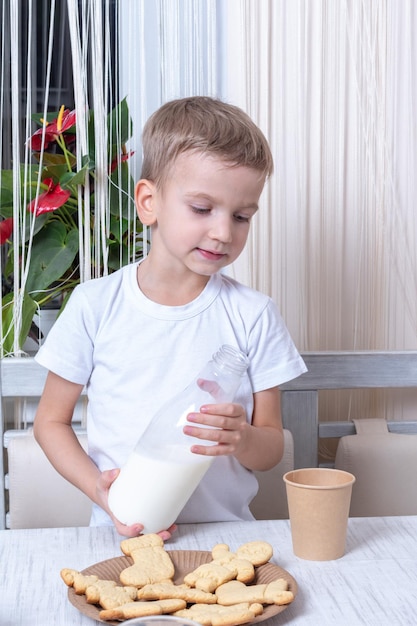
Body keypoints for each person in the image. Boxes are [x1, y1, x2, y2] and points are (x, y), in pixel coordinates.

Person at [33, 96, 307, 538]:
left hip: (227, 537)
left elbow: (271, 447)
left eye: (241, 216)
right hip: (122, 532)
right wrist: (101, 493)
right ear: (148, 201)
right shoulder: (95, 305)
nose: (223, 232)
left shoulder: (253, 315)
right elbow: (50, 422)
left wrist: (244, 439)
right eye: (202, 209)